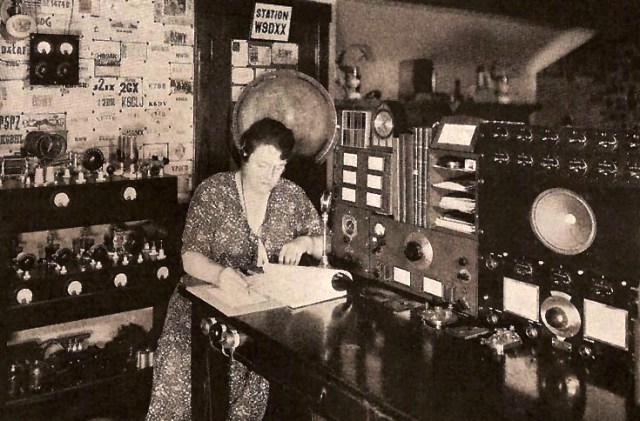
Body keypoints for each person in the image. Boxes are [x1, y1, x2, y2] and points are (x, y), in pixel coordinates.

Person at [146, 118, 324, 421]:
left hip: (258, 315)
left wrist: (304, 242)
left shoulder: (290, 195)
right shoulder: (214, 191)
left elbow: (327, 244)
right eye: (262, 166)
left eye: (279, 168)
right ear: (244, 154)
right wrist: (220, 274)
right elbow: (190, 257)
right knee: (181, 373)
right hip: (200, 307)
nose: (270, 176)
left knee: (252, 379)